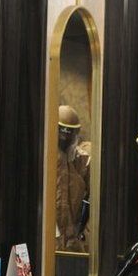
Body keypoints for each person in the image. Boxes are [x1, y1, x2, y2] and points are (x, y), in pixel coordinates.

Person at [56, 106, 90, 253]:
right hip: (44, 241)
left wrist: (83, 235)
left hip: (72, 243)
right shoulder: (43, 158)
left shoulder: (82, 161)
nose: (64, 140)